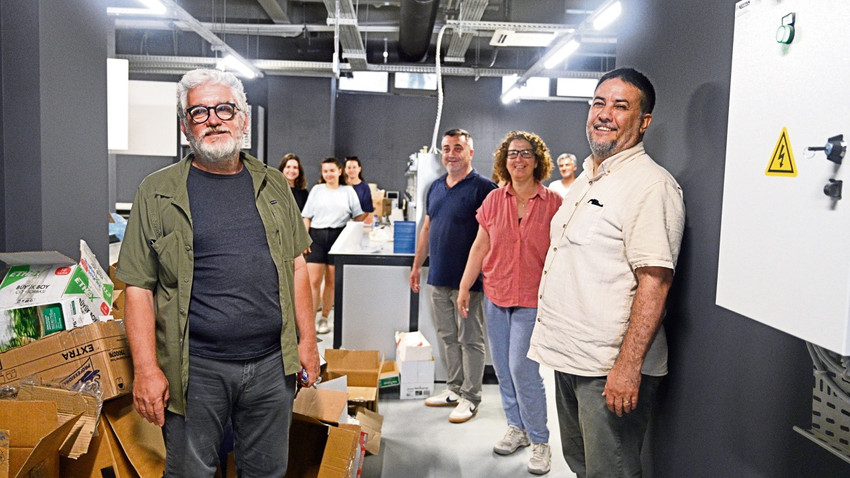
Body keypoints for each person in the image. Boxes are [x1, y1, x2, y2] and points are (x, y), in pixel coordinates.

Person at [115, 68, 319, 477]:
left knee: (266, 472)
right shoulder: (156, 191)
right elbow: (137, 287)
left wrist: (309, 343)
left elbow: (298, 266)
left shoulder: (274, 184)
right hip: (196, 370)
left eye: (225, 109)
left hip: (270, 366)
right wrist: (147, 371)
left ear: (242, 119)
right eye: (199, 112)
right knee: (192, 472)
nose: (213, 119)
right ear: (184, 126)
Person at [528, 67, 685, 477]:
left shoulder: (651, 186)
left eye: (620, 106)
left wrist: (627, 368)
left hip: (608, 369)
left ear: (643, 121)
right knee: (581, 464)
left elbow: (656, 281)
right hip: (571, 358)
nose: (604, 113)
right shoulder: (585, 181)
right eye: (599, 102)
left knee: (610, 472)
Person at [457, 131, 562, 474]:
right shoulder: (492, 201)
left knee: (522, 368)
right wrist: (464, 287)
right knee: (502, 367)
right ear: (505, 160)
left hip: (533, 299)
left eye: (526, 153)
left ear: (537, 160)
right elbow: (479, 248)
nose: (519, 159)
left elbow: (564, 254)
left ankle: (540, 440)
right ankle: (516, 428)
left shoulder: (553, 204)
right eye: (513, 154)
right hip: (496, 295)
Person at [409, 128, 497, 423]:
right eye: (446, 148)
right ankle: (454, 389)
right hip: (438, 277)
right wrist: (416, 266)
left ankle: (471, 397)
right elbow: (427, 228)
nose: (451, 154)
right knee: (447, 336)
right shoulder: (435, 187)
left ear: (470, 152)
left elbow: (495, 237)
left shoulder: (485, 188)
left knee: (471, 338)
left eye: (458, 148)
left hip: (469, 283)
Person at [302, 157, 367, 334]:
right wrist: (304, 239)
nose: (329, 174)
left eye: (332, 170)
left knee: (331, 281)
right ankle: (309, 321)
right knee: (313, 281)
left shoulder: (348, 191)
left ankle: (324, 318)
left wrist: (351, 233)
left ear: (340, 171)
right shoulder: (317, 190)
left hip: (339, 238)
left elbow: (359, 215)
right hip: (317, 236)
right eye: (325, 171)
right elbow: (306, 216)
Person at [344, 156, 376, 220]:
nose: (351, 170)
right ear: (345, 169)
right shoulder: (341, 185)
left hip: (357, 223)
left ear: (359, 168)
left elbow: (367, 210)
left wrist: (355, 222)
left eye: (354, 167)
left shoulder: (364, 187)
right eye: (349, 168)